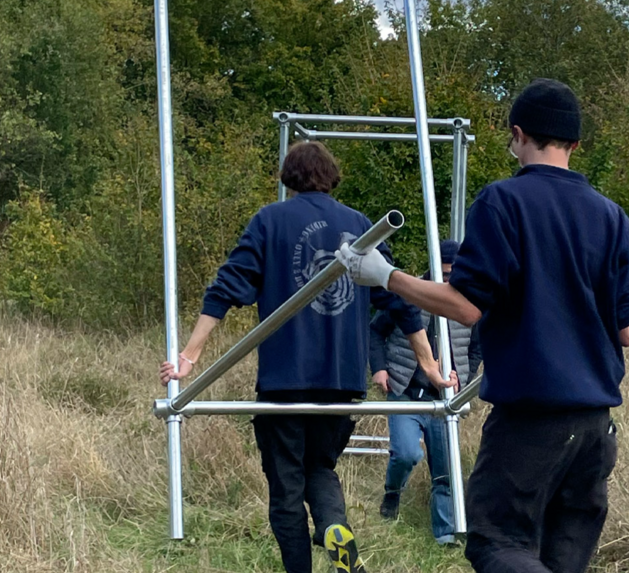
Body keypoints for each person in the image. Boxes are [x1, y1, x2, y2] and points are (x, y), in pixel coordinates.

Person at [336, 78, 629, 573]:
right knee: (560, 559)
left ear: (518, 133)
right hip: (595, 429)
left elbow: (466, 307)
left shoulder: (503, 202)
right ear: (575, 143)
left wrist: (386, 276)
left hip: (532, 420)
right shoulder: (612, 217)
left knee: (496, 543)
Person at [159, 141, 451, 573]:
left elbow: (226, 289)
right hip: (342, 383)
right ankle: (335, 525)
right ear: (332, 176)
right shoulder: (359, 225)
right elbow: (401, 302)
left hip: (284, 383)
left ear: (288, 177)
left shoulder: (270, 221)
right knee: (320, 467)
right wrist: (428, 363)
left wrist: (190, 355)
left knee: (286, 488)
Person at [368, 239, 481, 546]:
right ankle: (393, 492)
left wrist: (465, 377)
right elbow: (376, 332)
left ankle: (444, 534)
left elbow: (476, 348)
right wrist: (379, 369)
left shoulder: (469, 303)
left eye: (452, 274)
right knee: (406, 454)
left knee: (445, 471)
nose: (447, 280)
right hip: (406, 392)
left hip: (445, 400)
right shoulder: (408, 296)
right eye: (442, 273)